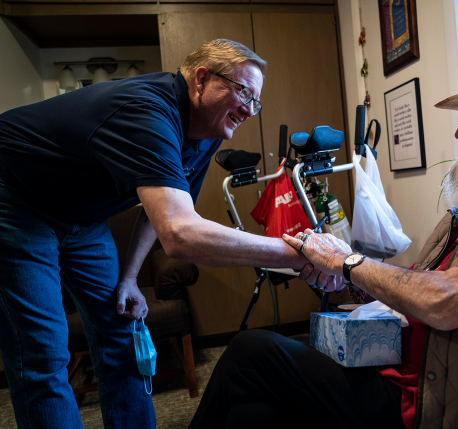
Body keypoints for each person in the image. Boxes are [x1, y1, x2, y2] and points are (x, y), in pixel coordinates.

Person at [189, 60, 458, 429]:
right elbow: (411, 289)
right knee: (252, 414)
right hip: (398, 375)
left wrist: (344, 259)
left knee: (251, 352)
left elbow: (445, 302)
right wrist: (343, 280)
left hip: (429, 402)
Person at [0, 39, 335, 429]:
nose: (248, 109)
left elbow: (160, 216)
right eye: (243, 91)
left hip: (83, 215)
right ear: (202, 79)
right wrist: (300, 252)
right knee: (43, 355)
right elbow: (180, 234)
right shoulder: (148, 111)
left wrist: (129, 279)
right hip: (16, 198)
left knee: (123, 329)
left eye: (255, 101)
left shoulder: (207, 131)